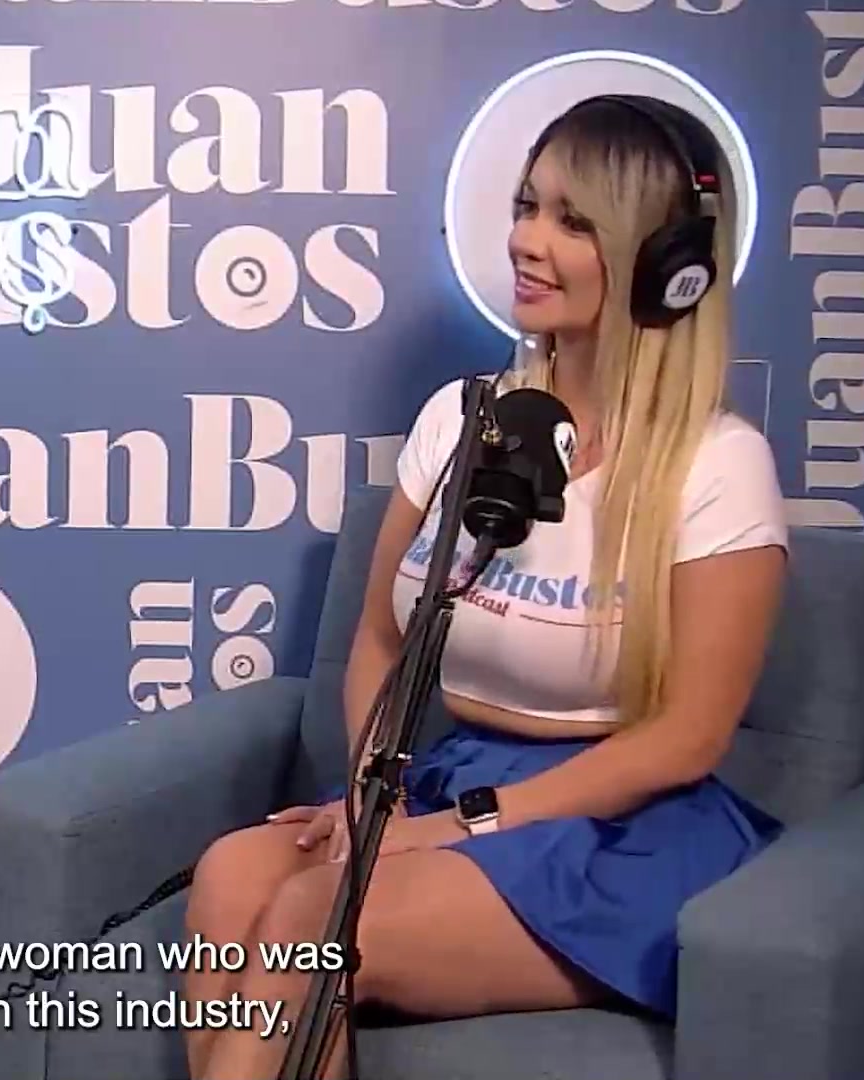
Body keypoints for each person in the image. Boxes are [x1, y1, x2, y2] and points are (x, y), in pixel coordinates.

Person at [178, 94, 787, 1079]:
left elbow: (689, 737)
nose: (527, 240)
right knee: (231, 875)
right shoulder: (463, 419)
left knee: (313, 915)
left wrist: (457, 828)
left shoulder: (718, 466)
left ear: (665, 266)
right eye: (526, 206)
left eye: (574, 221)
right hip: (446, 775)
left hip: (617, 823)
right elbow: (383, 637)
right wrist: (375, 800)